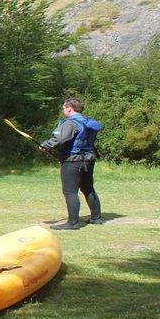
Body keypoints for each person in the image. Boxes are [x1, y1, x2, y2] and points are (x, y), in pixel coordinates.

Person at [40, 98, 104, 230]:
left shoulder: (70, 123)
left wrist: (45, 145)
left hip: (72, 161)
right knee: (88, 188)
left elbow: (59, 138)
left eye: (64, 108)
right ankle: (96, 218)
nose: (63, 111)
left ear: (69, 108)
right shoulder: (87, 122)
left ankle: (72, 223)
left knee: (70, 192)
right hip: (88, 159)